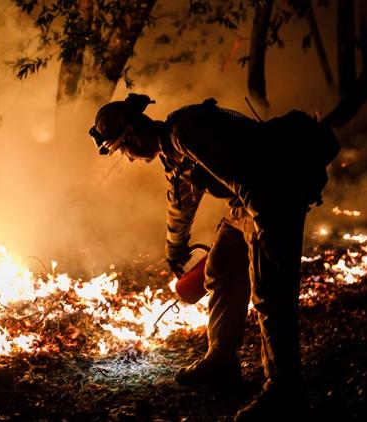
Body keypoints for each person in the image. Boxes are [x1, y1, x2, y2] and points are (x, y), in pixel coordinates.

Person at [89, 94, 338, 421]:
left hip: (273, 196)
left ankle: (283, 392)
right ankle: (221, 360)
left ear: (132, 136)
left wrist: (268, 230)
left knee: (270, 295)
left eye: (124, 150)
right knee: (221, 268)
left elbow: (249, 178)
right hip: (246, 204)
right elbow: (181, 204)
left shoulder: (187, 132)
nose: (130, 158)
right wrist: (175, 250)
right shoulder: (173, 153)